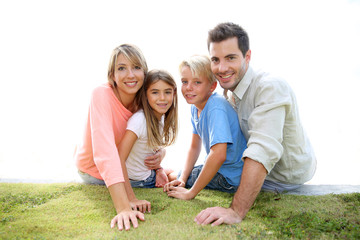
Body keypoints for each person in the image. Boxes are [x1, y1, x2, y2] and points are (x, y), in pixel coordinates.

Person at [194, 22, 317, 226]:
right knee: (190, 173)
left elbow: (262, 149)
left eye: (231, 58)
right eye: (215, 60)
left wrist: (235, 211)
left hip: (284, 179)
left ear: (247, 57)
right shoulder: (230, 93)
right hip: (254, 172)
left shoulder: (270, 87)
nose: (221, 68)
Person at [74, 44, 165, 231]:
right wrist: (125, 205)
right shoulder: (101, 94)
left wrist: (161, 154)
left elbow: (148, 138)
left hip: (124, 168)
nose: (130, 75)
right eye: (121, 68)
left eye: (136, 67)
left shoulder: (143, 100)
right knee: (151, 180)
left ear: (144, 72)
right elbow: (105, 152)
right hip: (93, 170)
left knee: (165, 176)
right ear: (112, 75)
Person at [164, 55, 247, 200]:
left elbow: (219, 154)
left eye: (197, 82)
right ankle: (174, 175)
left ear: (212, 86)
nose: (189, 88)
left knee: (170, 176)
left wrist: (191, 193)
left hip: (229, 178)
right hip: (221, 170)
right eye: (184, 81)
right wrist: (183, 179)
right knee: (179, 175)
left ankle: (159, 175)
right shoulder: (195, 107)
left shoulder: (216, 107)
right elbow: (194, 147)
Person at [118, 69, 178, 192]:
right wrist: (129, 196)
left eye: (167, 92)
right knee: (177, 175)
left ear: (174, 94)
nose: (162, 98)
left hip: (145, 175)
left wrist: (159, 168)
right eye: (155, 92)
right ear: (145, 94)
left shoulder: (159, 116)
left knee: (172, 173)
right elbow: (120, 158)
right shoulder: (139, 121)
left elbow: (149, 150)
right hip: (140, 181)